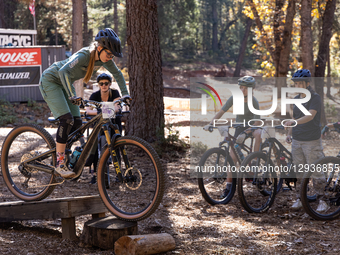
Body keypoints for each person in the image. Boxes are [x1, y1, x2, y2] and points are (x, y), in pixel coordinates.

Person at [39, 28, 130, 179]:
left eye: (112, 55)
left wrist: (125, 94)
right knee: (66, 119)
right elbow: (62, 72)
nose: (110, 57)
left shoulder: (103, 59)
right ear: (99, 48)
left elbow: (118, 74)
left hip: (64, 84)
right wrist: (72, 95)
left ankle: (63, 152)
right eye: (109, 54)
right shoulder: (84, 55)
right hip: (51, 81)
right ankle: (60, 163)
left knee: (77, 125)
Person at [203, 76, 262, 198]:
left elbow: (256, 122)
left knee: (258, 134)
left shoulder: (254, 101)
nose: (242, 90)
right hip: (239, 128)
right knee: (232, 157)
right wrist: (210, 123)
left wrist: (248, 131)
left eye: (245, 88)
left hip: (251, 127)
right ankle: (228, 188)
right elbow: (221, 112)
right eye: (241, 87)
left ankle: (254, 161)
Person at [285, 69, 324, 210]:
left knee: (317, 171)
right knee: (299, 172)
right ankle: (300, 198)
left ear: (307, 83)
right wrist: (289, 133)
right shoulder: (295, 99)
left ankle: (322, 201)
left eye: (300, 82)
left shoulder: (315, 98)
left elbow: (310, 116)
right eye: (296, 83)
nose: (298, 85)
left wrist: (293, 123)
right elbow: (294, 118)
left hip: (311, 140)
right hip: (297, 139)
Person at [85, 73, 122, 184]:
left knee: (117, 146)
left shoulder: (114, 92)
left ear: (110, 84)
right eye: (101, 84)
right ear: (98, 85)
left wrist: (99, 111)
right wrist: (106, 110)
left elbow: (117, 107)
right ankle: (95, 174)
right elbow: (88, 110)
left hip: (114, 123)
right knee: (95, 147)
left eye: (106, 83)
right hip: (99, 124)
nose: (104, 85)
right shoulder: (95, 95)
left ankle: (118, 173)